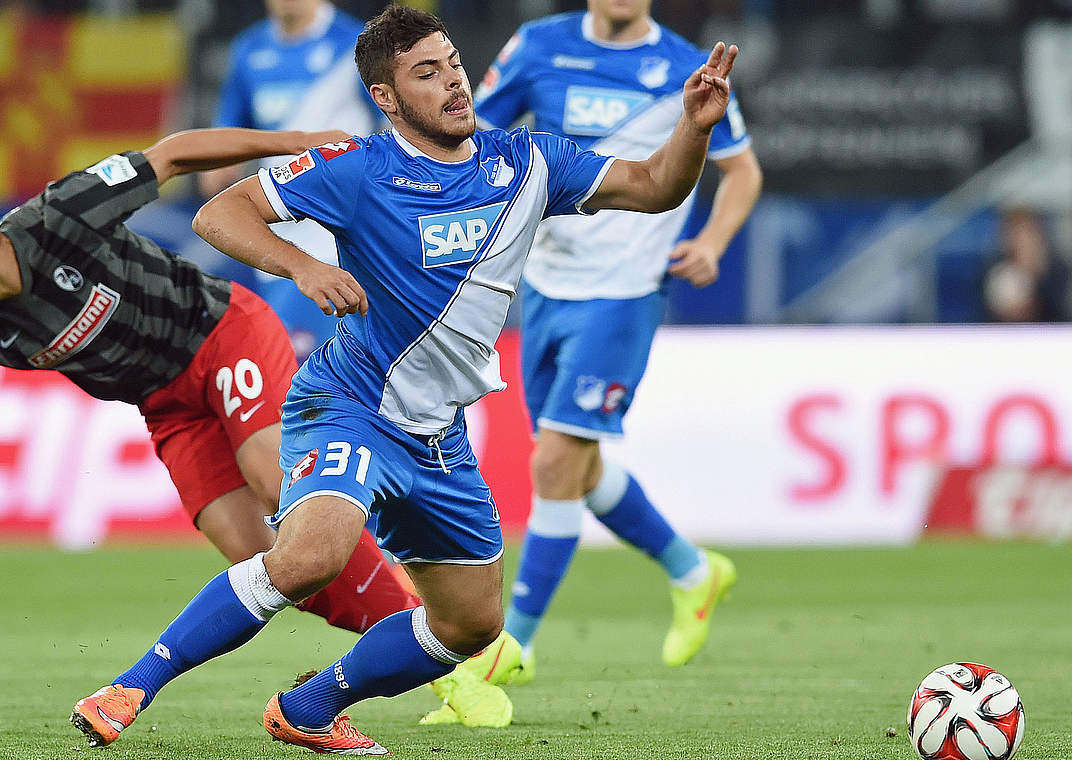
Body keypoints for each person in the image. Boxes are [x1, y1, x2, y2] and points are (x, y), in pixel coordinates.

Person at [68, 5, 739, 754]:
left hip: (438, 434)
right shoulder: (357, 167)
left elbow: (653, 186)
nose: (453, 82)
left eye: (452, 64)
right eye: (426, 73)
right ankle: (128, 687)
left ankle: (310, 706)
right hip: (349, 406)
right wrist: (305, 264)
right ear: (386, 97)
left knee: (470, 625)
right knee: (310, 557)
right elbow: (222, 212)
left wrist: (695, 129)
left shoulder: (526, 161)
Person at [0, 127, 422, 645]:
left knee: (280, 484)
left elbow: (173, 154)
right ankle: (431, 643)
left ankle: (436, 581)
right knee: (268, 562)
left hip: (223, 335)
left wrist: (297, 144)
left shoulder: (60, 216)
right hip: (168, 408)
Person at [421, 0, 763, 708]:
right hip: (544, 285)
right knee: (580, 465)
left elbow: (744, 172)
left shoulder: (680, 66)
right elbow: (469, 130)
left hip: (625, 293)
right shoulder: (538, 46)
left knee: (553, 463)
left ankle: (510, 647)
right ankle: (693, 570)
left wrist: (714, 242)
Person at [200, 0, 383, 360]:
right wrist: (215, 165)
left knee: (340, 352)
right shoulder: (249, 50)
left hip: (344, 220)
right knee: (290, 356)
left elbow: (391, 122)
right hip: (282, 222)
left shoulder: (356, 43)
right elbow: (228, 127)